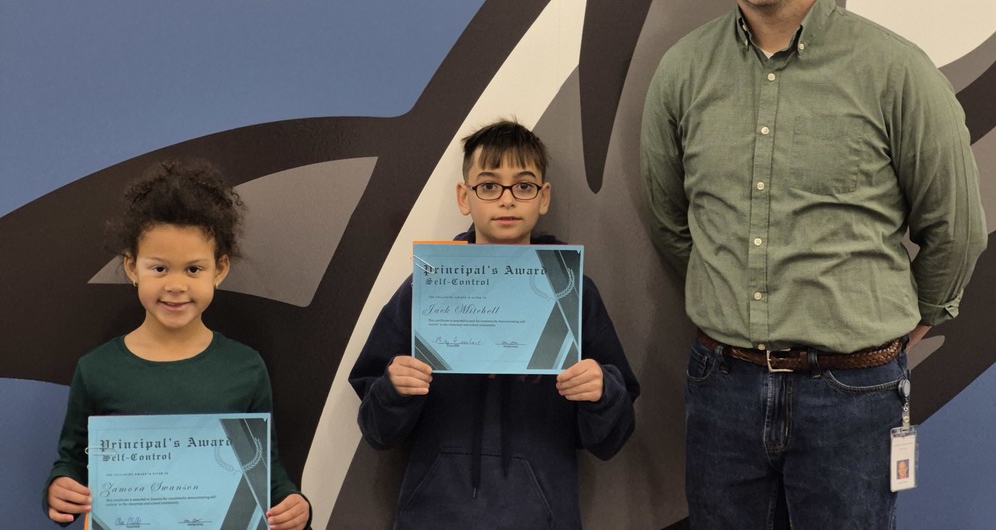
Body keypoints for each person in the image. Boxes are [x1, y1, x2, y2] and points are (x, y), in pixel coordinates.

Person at [640, 0, 987, 528]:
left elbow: (956, 230)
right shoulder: (683, 72)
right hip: (722, 391)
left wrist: (897, 329)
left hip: (853, 397)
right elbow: (670, 219)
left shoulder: (895, 70)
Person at [349, 119, 640, 530]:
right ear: (464, 197)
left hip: (543, 515)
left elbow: (612, 438)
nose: (507, 200)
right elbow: (377, 431)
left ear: (544, 197)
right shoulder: (425, 289)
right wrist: (395, 388)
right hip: (434, 514)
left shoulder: (573, 293)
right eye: (489, 186)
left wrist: (602, 391)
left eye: (523, 186)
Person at [44, 161, 311, 530]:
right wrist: (59, 489)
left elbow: (265, 468)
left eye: (193, 269)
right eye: (159, 268)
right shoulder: (96, 369)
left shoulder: (246, 368)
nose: (175, 285)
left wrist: (293, 504)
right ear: (132, 266)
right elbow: (73, 460)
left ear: (219, 269)